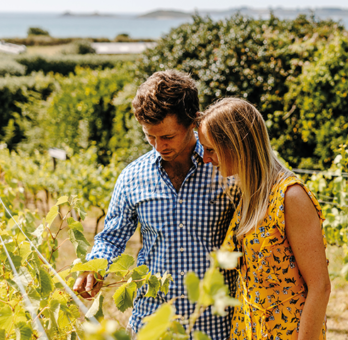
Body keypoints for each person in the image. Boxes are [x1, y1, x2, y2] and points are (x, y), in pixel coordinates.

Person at [72, 70, 239, 339]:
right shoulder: (132, 177)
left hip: (215, 323)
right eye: (150, 137)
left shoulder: (226, 168)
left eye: (167, 137)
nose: (159, 146)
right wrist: (95, 266)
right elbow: (112, 237)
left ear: (193, 123)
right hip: (153, 321)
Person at [197, 97, 331, 340]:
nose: (206, 159)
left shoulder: (290, 196)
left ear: (236, 145)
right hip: (249, 329)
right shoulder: (250, 192)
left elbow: (320, 287)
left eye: (210, 149)